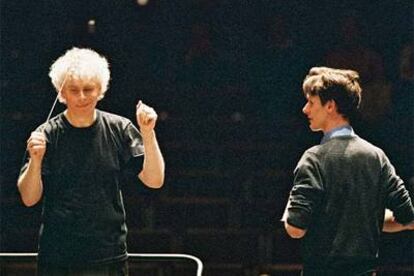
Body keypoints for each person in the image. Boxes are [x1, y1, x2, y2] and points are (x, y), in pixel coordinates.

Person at [17, 47, 165, 276]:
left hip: (109, 255)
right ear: (61, 92)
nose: (82, 97)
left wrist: (148, 133)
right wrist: (35, 161)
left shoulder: (120, 128)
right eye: (73, 90)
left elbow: (154, 180)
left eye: (89, 89)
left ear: (101, 90)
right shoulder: (45, 134)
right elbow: (29, 198)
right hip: (57, 258)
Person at [281, 67, 414, 276]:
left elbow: (295, 228)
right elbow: (407, 218)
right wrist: (364, 218)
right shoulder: (377, 156)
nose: (305, 110)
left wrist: (290, 206)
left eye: (311, 102)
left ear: (331, 106)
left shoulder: (314, 158)